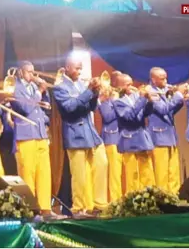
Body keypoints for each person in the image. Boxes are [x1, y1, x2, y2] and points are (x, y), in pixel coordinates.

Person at [53, 56, 108, 217]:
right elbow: (70, 107)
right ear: (68, 68)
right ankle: (79, 207)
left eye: (80, 68)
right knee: (79, 174)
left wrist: (95, 93)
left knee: (102, 163)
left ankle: (99, 203)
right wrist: (89, 91)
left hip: (90, 133)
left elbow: (91, 108)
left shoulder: (82, 85)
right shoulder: (60, 88)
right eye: (77, 68)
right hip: (75, 133)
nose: (79, 71)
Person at [10, 61, 53, 216]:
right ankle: (30, 209)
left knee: (44, 172)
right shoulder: (15, 87)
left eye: (34, 72)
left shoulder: (35, 87)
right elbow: (26, 108)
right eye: (29, 72)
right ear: (21, 72)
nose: (33, 75)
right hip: (25, 136)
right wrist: (40, 91)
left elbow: (46, 107)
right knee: (28, 174)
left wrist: (45, 92)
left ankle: (45, 207)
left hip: (40, 134)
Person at [113, 74, 155, 193]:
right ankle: (133, 200)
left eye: (132, 84)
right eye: (128, 85)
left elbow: (146, 114)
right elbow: (129, 116)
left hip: (142, 138)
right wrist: (142, 99)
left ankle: (150, 197)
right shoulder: (118, 102)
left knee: (147, 171)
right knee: (132, 174)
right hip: (129, 140)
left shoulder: (137, 97)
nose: (132, 87)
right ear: (121, 87)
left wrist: (149, 102)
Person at [147, 67, 186, 194]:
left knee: (173, 171)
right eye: (162, 78)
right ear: (153, 79)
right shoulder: (151, 93)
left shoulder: (164, 91)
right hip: (159, 136)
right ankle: (162, 198)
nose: (166, 80)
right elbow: (163, 109)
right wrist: (178, 95)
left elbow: (171, 111)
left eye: (166, 77)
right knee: (162, 173)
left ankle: (174, 197)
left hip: (170, 135)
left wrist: (180, 99)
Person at [98, 70, 123, 202]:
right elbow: (108, 117)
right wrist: (115, 102)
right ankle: (116, 201)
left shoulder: (121, 98)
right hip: (111, 139)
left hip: (123, 138)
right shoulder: (105, 100)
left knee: (122, 174)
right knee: (114, 174)